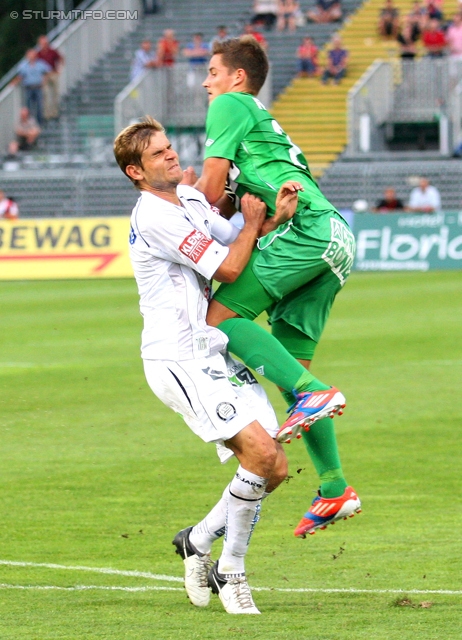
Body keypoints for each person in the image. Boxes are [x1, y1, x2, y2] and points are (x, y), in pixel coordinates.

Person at [113, 117, 298, 614]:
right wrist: (254, 225)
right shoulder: (153, 216)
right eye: (158, 154)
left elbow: (236, 236)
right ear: (136, 171)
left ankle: (197, 540)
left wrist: (270, 218)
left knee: (273, 465)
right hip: (177, 357)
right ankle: (232, 572)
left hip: (209, 347)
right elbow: (230, 266)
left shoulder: (191, 199)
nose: (172, 156)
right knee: (260, 456)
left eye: (170, 147)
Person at [195, 36, 361, 539]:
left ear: (237, 77)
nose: (207, 83)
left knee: (221, 318)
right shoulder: (262, 126)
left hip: (307, 230)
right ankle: (334, 488)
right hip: (335, 240)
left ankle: (315, 393)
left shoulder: (230, 105)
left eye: (212, 72)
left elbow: (205, 191)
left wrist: (177, 209)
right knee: (292, 379)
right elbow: (240, 197)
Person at [14, 49, 51, 125]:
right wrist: (14, 82)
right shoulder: (23, 65)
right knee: (28, 107)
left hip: (38, 87)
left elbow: (47, 71)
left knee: (39, 106)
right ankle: (29, 123)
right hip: (28, 88)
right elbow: (20, 76)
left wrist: (44, 81)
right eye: (30, 55)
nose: (31, 56)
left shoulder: (40, 64)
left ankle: (40, 123)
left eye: (33, 54)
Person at [36, 35, 64, 120]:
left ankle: (55, 112)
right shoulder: (39, 54)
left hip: (53, 73)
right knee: (46, 94)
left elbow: (61, 59)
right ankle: (47, 114)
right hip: (44, 75)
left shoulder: (52, 52)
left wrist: (59, 69)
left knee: (55, 93)